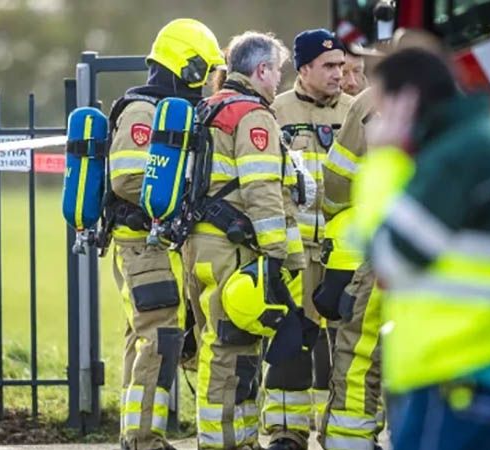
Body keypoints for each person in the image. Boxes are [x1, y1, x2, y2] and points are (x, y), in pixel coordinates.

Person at [358, 47, 490, 450]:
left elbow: (389, 258)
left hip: (457, 382)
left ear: (406, 101)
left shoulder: (455, 158)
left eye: (381, 104)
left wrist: (383, 161)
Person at [106, 18, 223, 450]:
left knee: (149, 336)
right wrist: (183, 199)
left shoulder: (176, 113)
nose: (209, 83)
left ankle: (137, 435)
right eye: (207, 71)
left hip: (160, 243)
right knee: (157, 337)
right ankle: (141, 439)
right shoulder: (142, 112)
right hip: (139, 243)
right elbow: (126, 179)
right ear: (187, 67)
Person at [185, 31, 292, 449]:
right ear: (261, 70)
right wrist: (277, 253)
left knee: (217, 342)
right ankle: (226, 442)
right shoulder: (253, 115)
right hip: (232, 249)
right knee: (233, 351)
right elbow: (262, 189)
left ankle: (235, 440)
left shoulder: (207, 108)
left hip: (199, 245)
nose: (279, 79)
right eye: (277, 70)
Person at [263, 28, 352, 450]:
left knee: (348, 348)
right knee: (293, 342)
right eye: (329, 66)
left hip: (344, 252)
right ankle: (286, 432)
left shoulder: (357, 112)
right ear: (303, 69)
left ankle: (342, 433)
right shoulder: (275, 111)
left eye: (342, 65)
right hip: (296, 251)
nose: (340, 73)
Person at [317, 87, 384, 450]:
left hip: (384, 243)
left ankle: (350, 439)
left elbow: (337, 180)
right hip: (469, 253)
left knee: (361, 346)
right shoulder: (483, 81)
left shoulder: (373, 99)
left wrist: (342, 221)